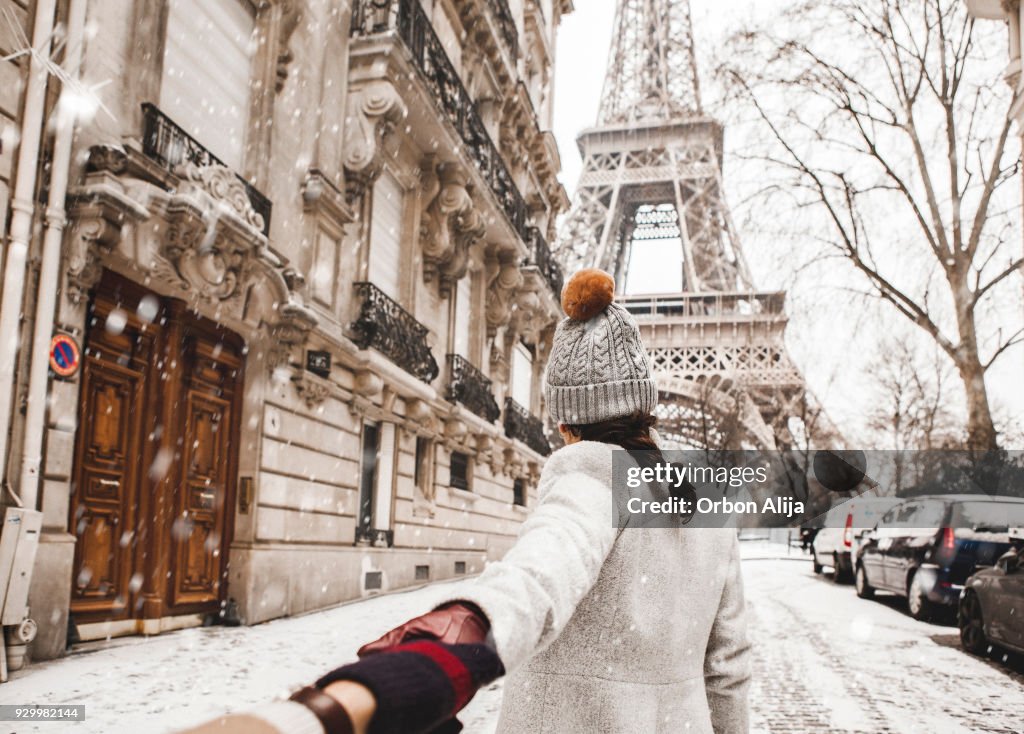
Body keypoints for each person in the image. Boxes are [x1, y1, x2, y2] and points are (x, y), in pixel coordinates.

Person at [180, 268, 751, 734]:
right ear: (644, 404)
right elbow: (726, 672)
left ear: (564, 420)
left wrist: (447, 643)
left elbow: (536, 579)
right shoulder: (709, 507)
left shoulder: (590, 481)